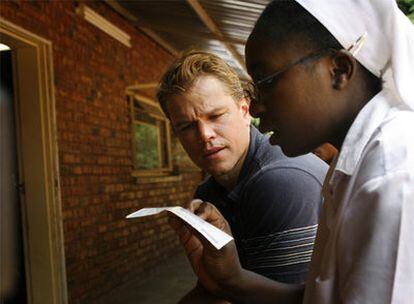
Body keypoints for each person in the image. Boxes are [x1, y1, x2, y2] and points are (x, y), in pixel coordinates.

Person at [169, 1, 414, 303]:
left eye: (267, 82)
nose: (256, 108)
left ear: (339, 70)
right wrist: (233, 281)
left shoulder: (394, 178)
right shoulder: (353, 165)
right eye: (186, 127)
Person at [157, 50, 328, 302]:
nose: (205, 135)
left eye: (216, 116)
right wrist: (215, 285)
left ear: (245, 110)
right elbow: (212, 293)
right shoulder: (207, 194)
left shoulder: (280, 182)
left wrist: (224, 288)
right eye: (187, 126)